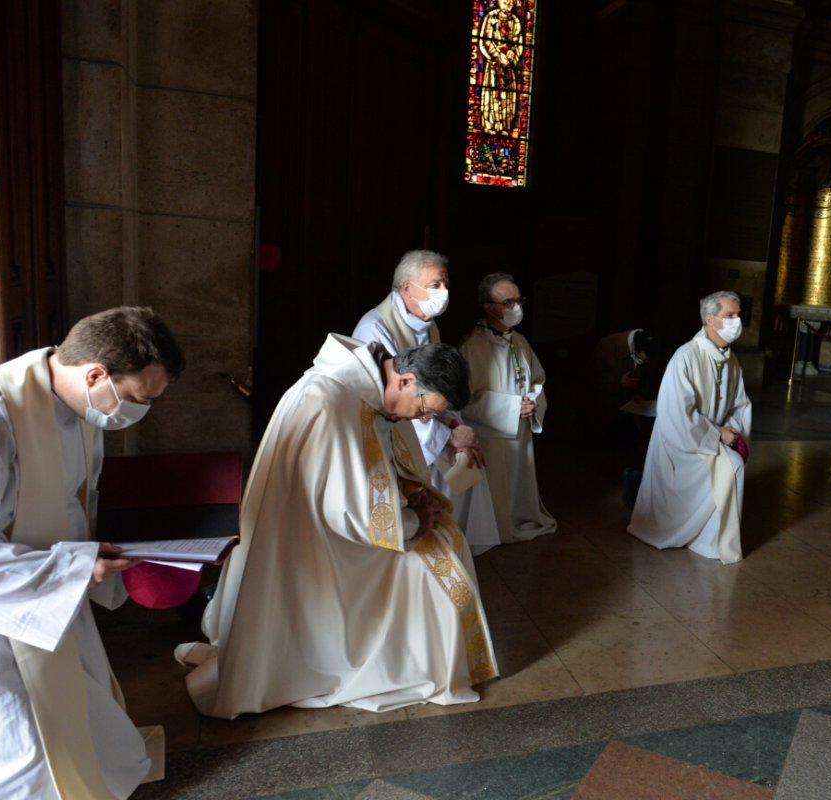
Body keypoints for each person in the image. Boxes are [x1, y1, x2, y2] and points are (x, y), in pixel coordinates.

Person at [177, 337, 498, 718]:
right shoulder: (334, 401)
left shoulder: (368, 393)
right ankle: (406, 664)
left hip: (330, 528)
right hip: (312, 542)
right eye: (426, 409)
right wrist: (412, 520)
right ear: (407, 380)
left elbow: (372, 472)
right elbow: (350, 511)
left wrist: (414, 497)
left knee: (443, 540)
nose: (423, 419)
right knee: (431, 570)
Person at [0, 306, 185, 798]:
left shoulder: (79, 404)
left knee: (77, 713)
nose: (138, 413)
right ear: (96, 374)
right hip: (0, 610)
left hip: (55, 589)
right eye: (137, 398)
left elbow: (67, 501)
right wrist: (74, 566)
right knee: (22, 741)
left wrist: (96, 552)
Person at [352, 249, 501, 555]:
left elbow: (439, 384)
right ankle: (432, 545)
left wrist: (458, 427)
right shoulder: (374, 329)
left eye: (445, 285)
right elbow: (392, 399)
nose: (443, 293)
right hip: (399, 432)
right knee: (447, 464)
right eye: (434, 285)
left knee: (470, 460)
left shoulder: (428, 324)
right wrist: (448, 436)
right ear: (407, 287)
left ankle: (458, 544)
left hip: (427, 421)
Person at [628, 291, 751, 564]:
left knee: (732, 464)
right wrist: (717, 433)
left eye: (738, 316)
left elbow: (740, 406)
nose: (736, 322)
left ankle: (710, 538)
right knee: (733, 466)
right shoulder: (686, 356)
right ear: (710, 319)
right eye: (729, 316)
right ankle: (709, 539)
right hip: (682, 440)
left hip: (710, 437)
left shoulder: (731, 361)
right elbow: (675, 414)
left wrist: (730, 432)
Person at [458, 273, 556, 542]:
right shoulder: (471, 346)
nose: (517, 307)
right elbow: (464, 399)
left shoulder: (519, 341)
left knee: (518, 485)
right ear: (489, 307)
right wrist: (513, 408)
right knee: (497, 488)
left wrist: (533, 401)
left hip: (520, 431)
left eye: (518, 300)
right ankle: (496, 528)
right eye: (509, 302)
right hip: (492, 434)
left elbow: (538, 380)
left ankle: (518, 518)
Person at [589, 327, 659, 446]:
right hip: (603, 415)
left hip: (628, 415)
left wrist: (639, 394)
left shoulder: (649, 347)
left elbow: (647, 379)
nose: (643, 362)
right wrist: (619, 381)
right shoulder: (606, 346)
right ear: (633, 346)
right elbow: (589, 379)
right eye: (641, 359)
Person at [478, 0, 523, 136]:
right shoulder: (491, 17)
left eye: (510, 2)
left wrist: (513, 53)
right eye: (505, 1)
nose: (507, 4)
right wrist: (497, 55)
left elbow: (517, 41)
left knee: (507, 97)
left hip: (508, 66)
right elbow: (485, 40)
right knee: (493, 95)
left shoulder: (515, 21)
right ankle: (491, 126)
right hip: (494, 64)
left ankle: (505, 127)